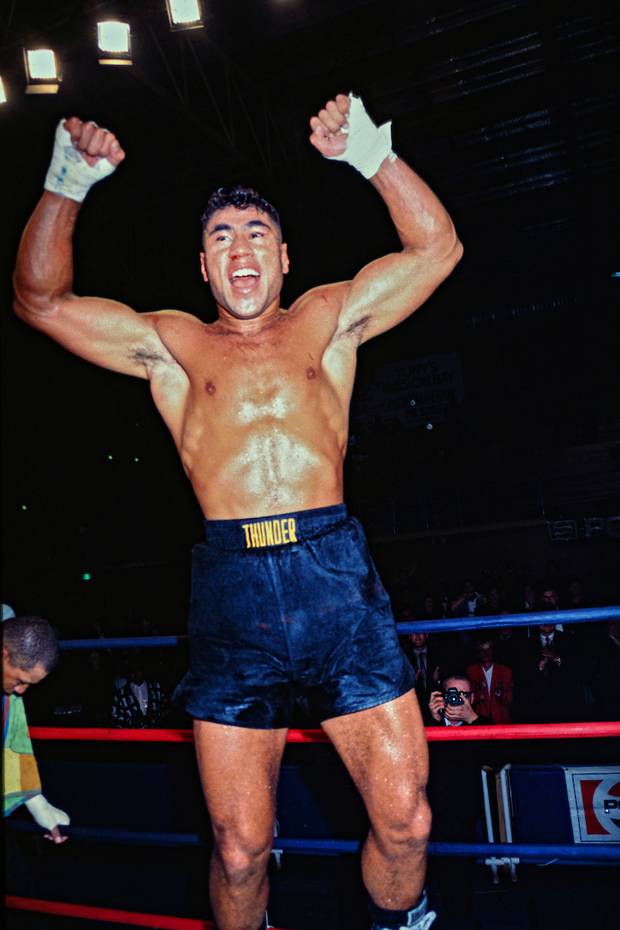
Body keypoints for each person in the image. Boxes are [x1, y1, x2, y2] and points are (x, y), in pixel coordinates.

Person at [13, 92, 462, 930]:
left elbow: (437, 248)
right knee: (239, 847)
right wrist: (66, 182)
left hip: (336, 580)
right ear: (204, 266)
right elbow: (39, 301)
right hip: (232, 594)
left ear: (285, 257)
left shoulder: (328, 319)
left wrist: (372, 154)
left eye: (257, 233)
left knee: (407, 823)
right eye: (222, 236)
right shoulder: (171, 344)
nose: (241, 246)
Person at [2, 608, 70, 844]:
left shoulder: (9, 697)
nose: (21, 690)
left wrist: (36, 803)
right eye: (20, 680)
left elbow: (13, 741)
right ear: (4, 654)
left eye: (29, 684)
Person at [466, 636, 513, 724]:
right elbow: (468, 700)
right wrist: (478, 690)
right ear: (478, 652)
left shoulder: (505, 671)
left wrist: (499, 692)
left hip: (501, 719)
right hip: (478, 719)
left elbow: (509, 699)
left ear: (493, 651)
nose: (486, 653)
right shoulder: (471, 671)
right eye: (482, 650)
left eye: (489, 649)